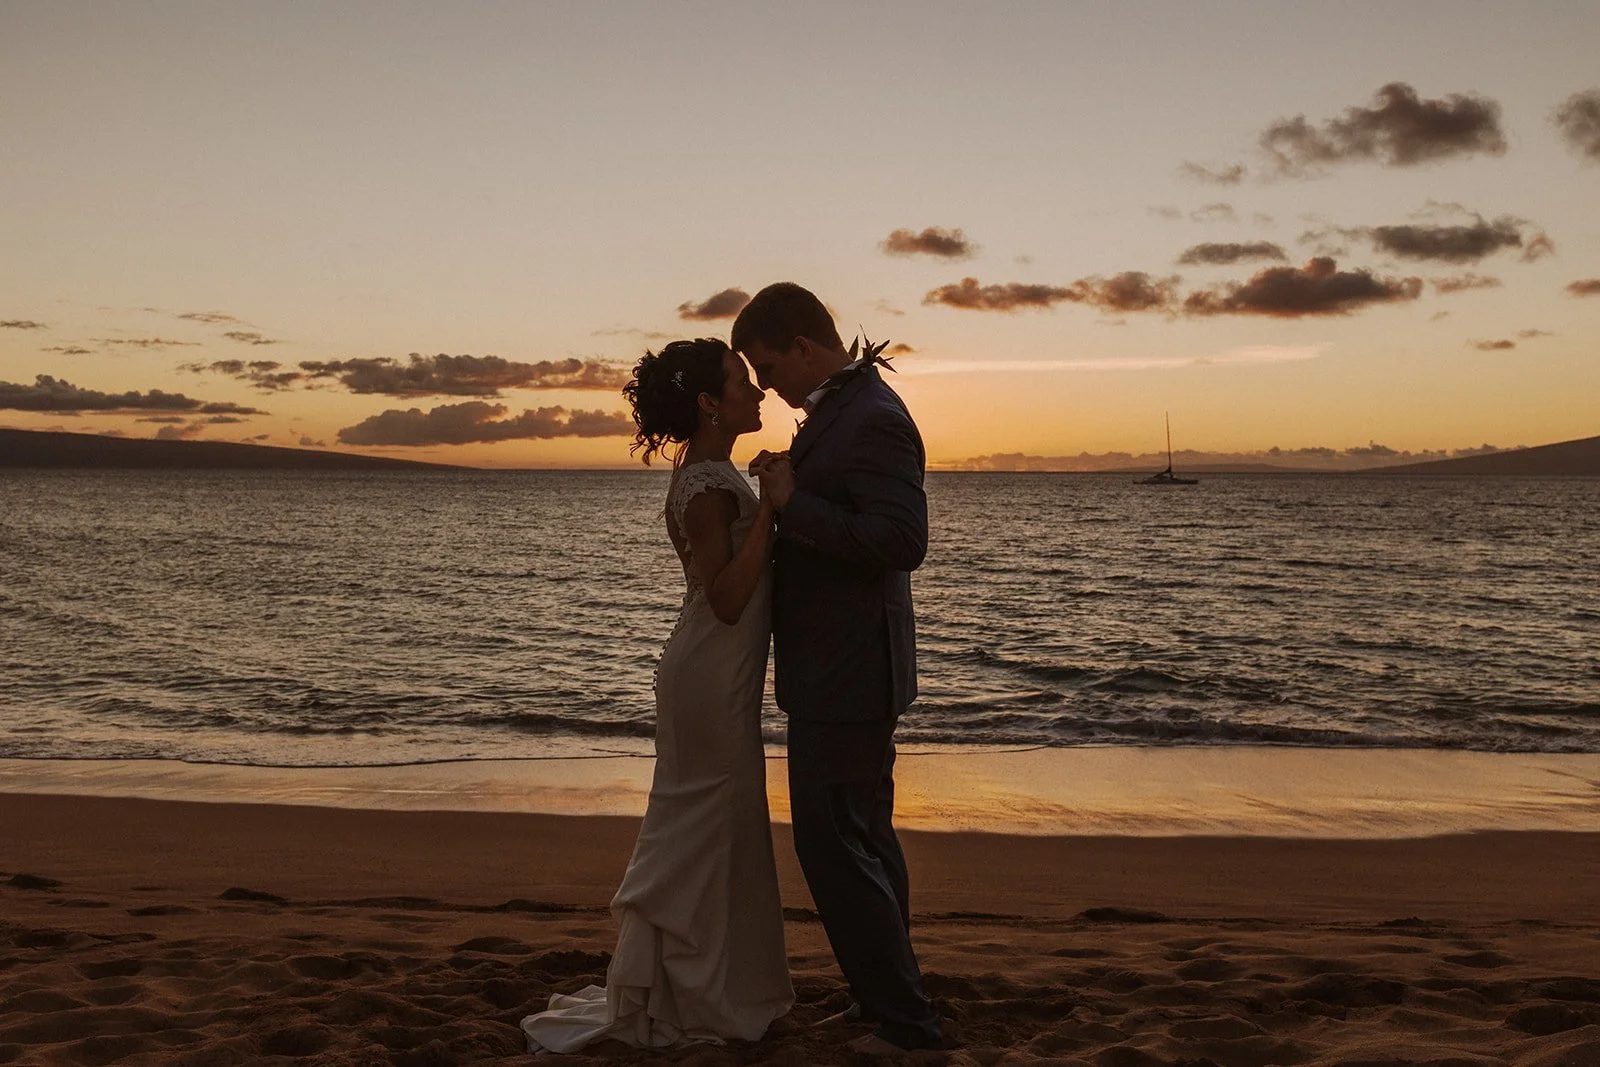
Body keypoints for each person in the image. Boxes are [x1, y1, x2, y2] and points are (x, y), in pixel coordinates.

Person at [520, 337, 793, 1053]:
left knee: (720, 826)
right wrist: (772, 509)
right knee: (705, 825)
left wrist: (769, 499)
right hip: (708, 676)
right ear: (709, 402)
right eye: (742, 382)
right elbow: (729, 597)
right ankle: (688, 994)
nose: (757, 391)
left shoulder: (714, 472)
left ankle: (710, 984)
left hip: (717, 677)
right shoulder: (705, 487)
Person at [734, 283, 943, 1054]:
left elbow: (901, 541)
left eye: (765, 366)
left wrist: (792, 503)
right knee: (865, 836)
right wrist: (794, 480)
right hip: (841, 668)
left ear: (802, 347)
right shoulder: (842, 411)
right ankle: (885, 997)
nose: (761, 385)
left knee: (831, 843)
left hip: (851, 672)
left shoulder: (874, 419)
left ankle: (904, 1021)